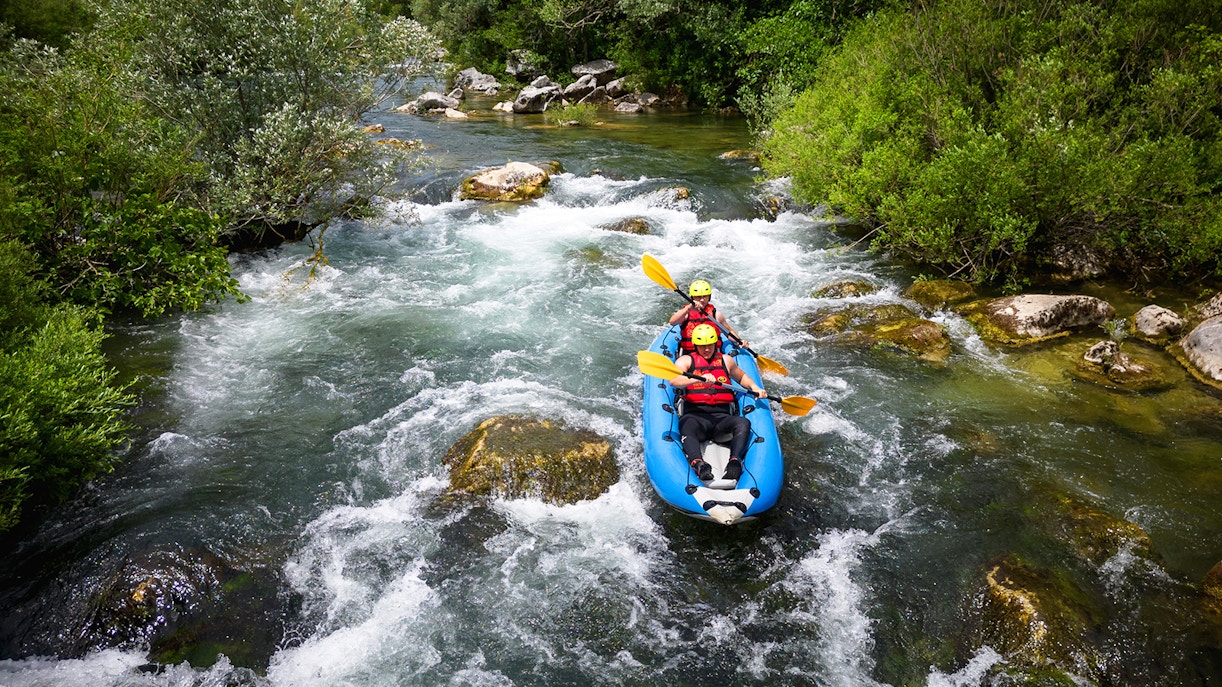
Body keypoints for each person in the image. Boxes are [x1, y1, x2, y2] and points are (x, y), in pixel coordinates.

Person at [668, 324, 767, 482]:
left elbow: (742, 377)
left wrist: (755, 387)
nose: (706, 349)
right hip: (696, 417)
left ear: (715, 344)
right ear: (695, 346)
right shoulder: (685, 361)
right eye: (702, 346)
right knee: (686, 423)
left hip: (722, 419)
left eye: (710, 345)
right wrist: (697, 379)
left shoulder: (726, 360)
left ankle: (734, 462)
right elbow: (674, 381)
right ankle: (699, 464)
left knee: (743, 423)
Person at [668, 279, 748, 354]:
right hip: (691, 354)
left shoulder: (716, 314)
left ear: (709, 297)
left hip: (712, 354)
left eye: (705, 296)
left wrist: (739, 341)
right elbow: (672, 322)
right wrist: (687, 308)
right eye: (698, 297)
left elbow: (728, 332)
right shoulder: (686, 313)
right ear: (692, 297)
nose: (702, 300)